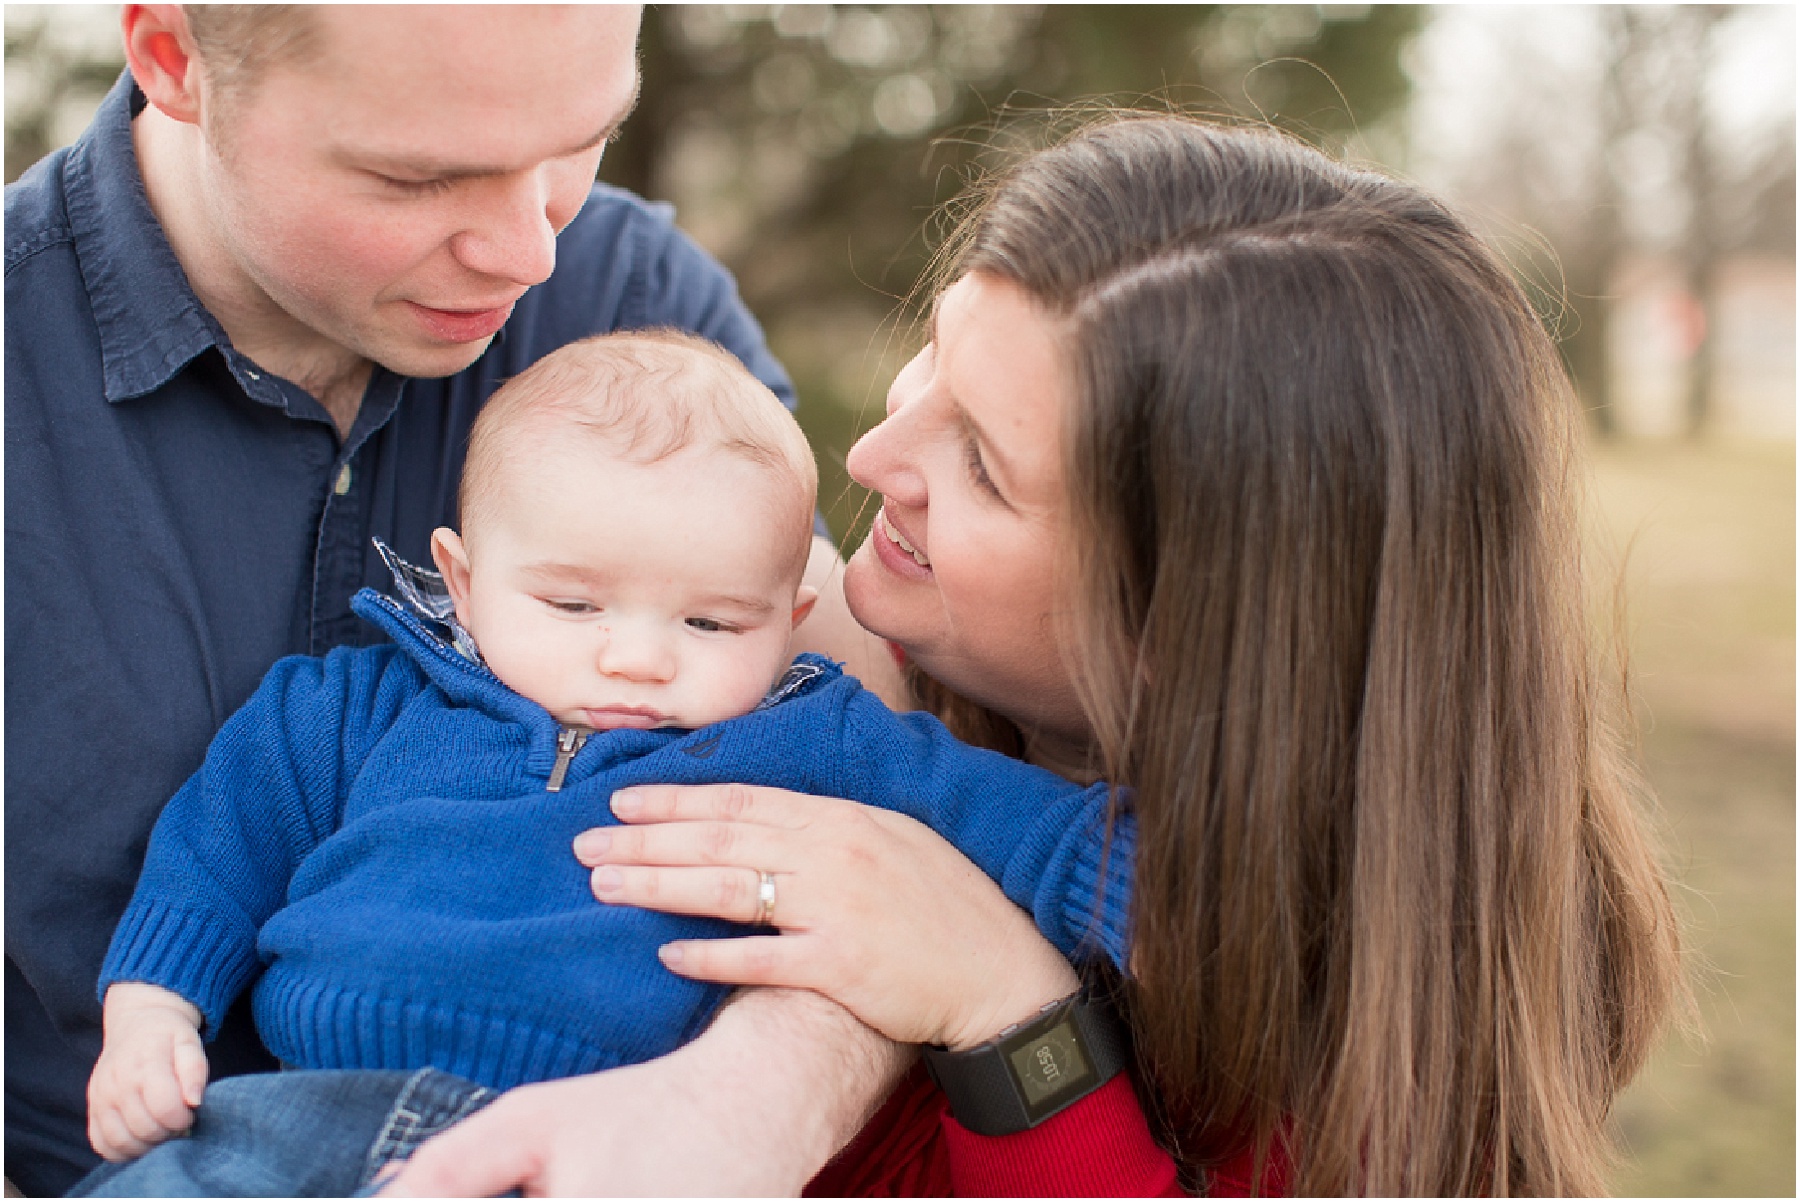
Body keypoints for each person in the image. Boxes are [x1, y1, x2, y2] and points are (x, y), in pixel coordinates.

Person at [387, 116, 1688, 1196]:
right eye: (935, 361)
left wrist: (1013, 1015)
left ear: (1191, 627)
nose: (874, 460)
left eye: (988, 470)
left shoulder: (1384, 1023)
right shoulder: (759, 658)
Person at [5, 6, 905, 1196]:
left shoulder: (637, 303)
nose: (530, 252)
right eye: (419, 176)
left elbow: (885, 803)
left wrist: (757, 1092)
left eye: (583, 138)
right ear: (174, 59)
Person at [73, 331, 1133, 1197]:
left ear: (788, 620)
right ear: (465, 576)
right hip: (294, 1113)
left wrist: (1176, 893)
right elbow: (220, 844)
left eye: (712, 620)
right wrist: (154, 1006)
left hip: (620, 1143)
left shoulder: (817, 737)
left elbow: (1019, 825)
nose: (635, 656)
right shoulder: (359, 704)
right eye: (573, 604)